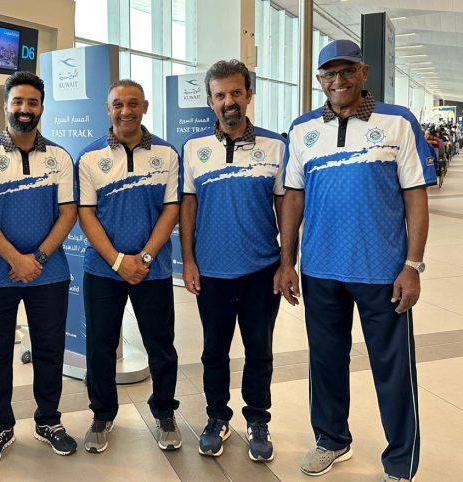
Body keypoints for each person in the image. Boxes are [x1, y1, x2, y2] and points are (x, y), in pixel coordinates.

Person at [275, 39, 436, 482]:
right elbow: (293, 197)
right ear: (319, 80)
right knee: (325, 362)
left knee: (393, 368)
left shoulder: (397, 121)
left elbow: (415, 196)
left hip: (382, 271)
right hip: (320, 269)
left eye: (347, 70)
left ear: (364, 73)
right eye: (329, 73)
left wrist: (413, 266)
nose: (338, 80)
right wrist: (287, 262)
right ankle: (331, 440)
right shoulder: (302, 128)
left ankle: (400, 461)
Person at [0, 71, 78, 468]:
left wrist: (38, 259)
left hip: (49, 274)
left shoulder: (59, 156)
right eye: (18, 102)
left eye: (32, 102)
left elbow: (68, 213)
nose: (25, 109)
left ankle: (48, 420)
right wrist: (17, 259)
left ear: (42, 107)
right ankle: (0, 426)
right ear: (6, 106)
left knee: (49, 350)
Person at [180, 59, 284, 462]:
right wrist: (188, 261)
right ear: (210, 100)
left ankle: (258, 419)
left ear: (248, 95)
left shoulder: (275, 146)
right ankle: (217, 417)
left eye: (236, 93)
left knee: (259, 350)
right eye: (220, 95)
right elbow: (188, 207)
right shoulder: (194, 149)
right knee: (213, 351)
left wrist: (287, 262)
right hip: (212, 271)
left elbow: (285, 207)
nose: (229, 101)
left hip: (262, 270)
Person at [77, 79, 181, 453]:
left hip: (154, 269)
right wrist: (119, 261)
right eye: (118, 104)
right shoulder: (89, 157)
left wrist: (145, 258)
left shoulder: (167, 153)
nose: (126, 111)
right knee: (100, 346)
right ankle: (102, 414)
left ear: (145, 107)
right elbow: (86, 214)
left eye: (133, 103)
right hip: (103, 270)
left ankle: (165, 412)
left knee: (161, 346)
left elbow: (172, 209)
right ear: (108, 109)